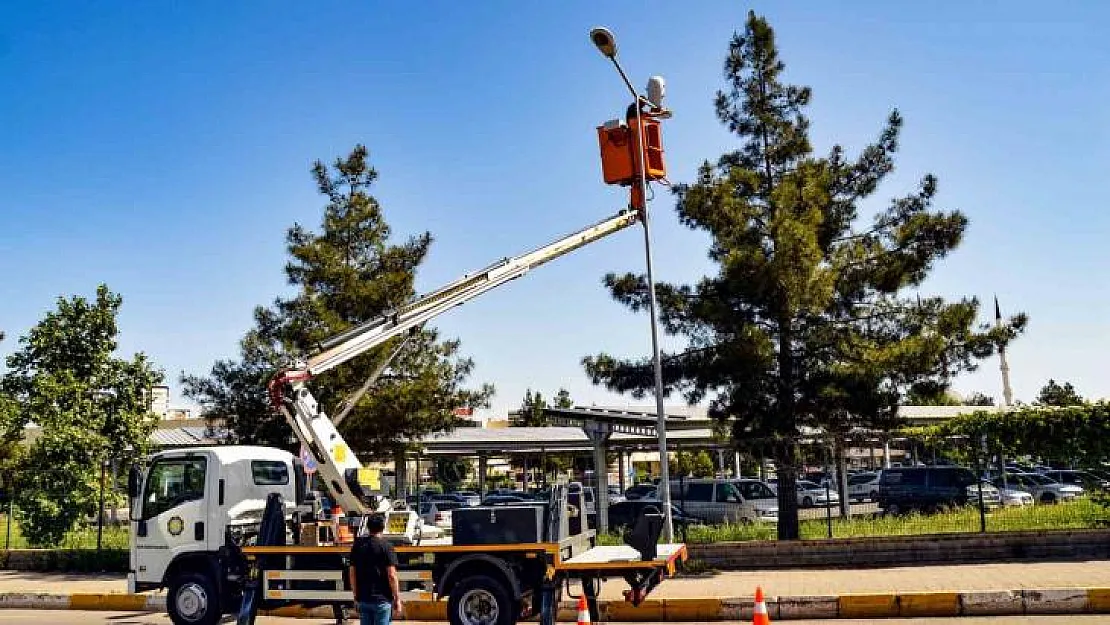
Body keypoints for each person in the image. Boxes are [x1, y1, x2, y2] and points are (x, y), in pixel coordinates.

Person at [350, 514, 402, 625]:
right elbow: (392, 575)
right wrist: (397, 598)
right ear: (383, 527)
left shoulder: (357, 546)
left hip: (363, 598)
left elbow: (352, 573)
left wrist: (355, 596)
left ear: (368, 527)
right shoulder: (386, 546)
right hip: (382, 600)